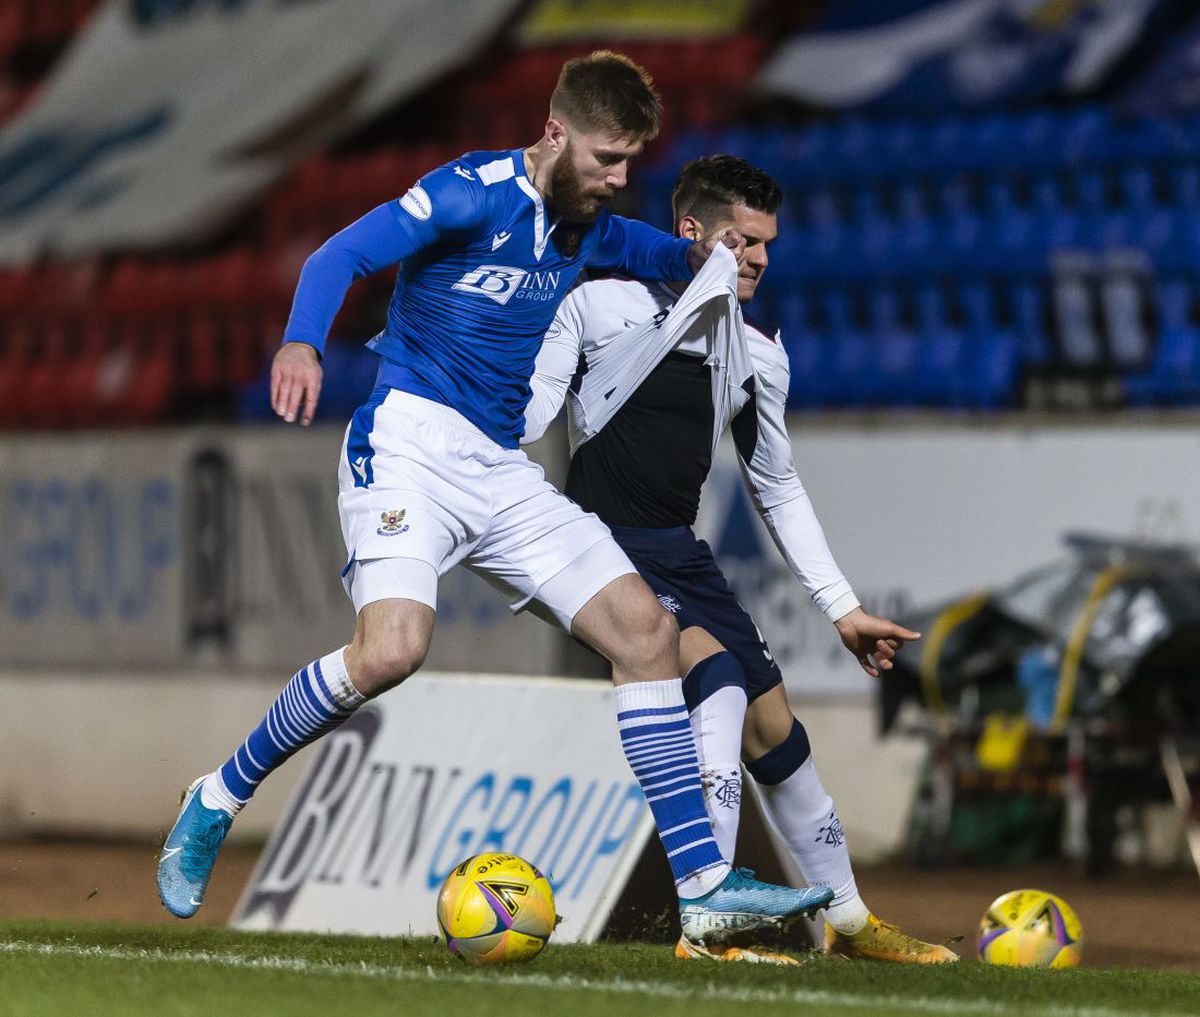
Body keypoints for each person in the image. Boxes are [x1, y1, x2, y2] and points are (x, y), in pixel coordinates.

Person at [157, 53, 834, 944]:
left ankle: (703, 881)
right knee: (391, 651)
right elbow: (340, 253)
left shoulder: (593, 227)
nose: (618, 179)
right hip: (408, 444)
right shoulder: (468, 193)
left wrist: (710, 253)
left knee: (647, 632)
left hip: (500, 467)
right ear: (556, 133)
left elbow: (662, 251)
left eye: (631, 161)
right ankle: (217, 796)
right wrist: (301, 344)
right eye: (606, 158)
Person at [522, 154, 958, 964]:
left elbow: (777, 486)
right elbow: (532, 411)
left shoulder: (758, 355)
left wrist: (841, 607)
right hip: (599, 549)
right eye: (744, 240)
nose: (759, 258)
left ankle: (852, 922)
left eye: (767, 244)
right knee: (714, 677)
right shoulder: (599, 307)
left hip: (680, 555)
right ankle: (706, 921)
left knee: (775, 727)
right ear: (691, 232)